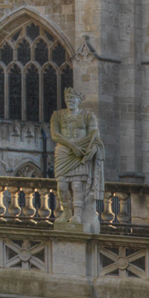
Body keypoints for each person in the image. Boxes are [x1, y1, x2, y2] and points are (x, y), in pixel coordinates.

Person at [46, 86, 103, 233]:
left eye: (72, 98)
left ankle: (78, 214)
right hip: (64, 153)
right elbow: (55, 135)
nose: (69, 100)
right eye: (67, 98)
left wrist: (89, 150)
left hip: (80, 155)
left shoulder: (88, 116)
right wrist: (73, 146)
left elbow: (94, 136)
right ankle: (66, 212)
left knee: (77, 186)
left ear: (79, 100)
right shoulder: (57, 115)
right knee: (62, 186)